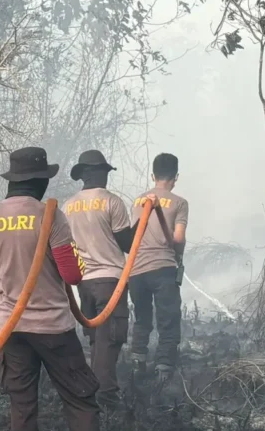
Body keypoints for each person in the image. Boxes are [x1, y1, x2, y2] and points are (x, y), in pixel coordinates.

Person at [0, 147, 101, 431]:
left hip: (11, 333)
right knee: (80, 399)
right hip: (54, 330)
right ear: (41, 182)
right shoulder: (52, 217)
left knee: (23, 407)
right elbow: (73, 275)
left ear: (13, 182)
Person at [63, 150, 152, 409]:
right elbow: (127, 243)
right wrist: (145, 217)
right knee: (109, 340)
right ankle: (106, 398)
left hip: (84, 284)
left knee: (95, 339)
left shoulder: (68, 206)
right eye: (103, 171)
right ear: (92, 173)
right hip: (110, 280)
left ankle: (94, 390)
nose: (106, 176)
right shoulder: (111, 201)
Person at [128, 153, 189, 378]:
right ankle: (164, 369)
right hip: (163, 267)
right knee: (168, 319)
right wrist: (178, 258)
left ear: (153, 175)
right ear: (175, 177)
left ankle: (137, 361)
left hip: (136, 270)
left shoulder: (137, 201)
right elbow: (179, 238)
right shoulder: (180, 203)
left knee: (142, 317)